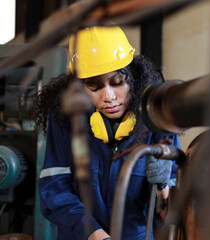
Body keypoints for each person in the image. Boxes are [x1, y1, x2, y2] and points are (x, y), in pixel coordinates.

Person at [31, 25, 180, 240]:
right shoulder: (65, 119)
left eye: (117, 82)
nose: (108, 96)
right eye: (94, 87)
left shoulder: (156, 119)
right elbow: (54, 189)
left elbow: (172, 214)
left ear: (133, 75)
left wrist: (164, 187)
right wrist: (93, 233)